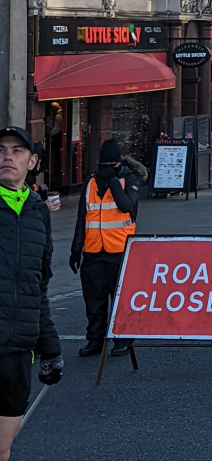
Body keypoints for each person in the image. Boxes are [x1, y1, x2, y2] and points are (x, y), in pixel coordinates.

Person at [0, 126, 62, 461]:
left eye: (17, 151)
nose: (8, 156)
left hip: (17, 353)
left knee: (1, 455)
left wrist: (50, 347)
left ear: (32, 162)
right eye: (2, 150)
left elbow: (39, 286)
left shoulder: (38, 213)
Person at [70, 138, 142, 359]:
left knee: (119, 299)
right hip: (92, 253)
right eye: (101, 166)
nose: (103, 170)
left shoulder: (129, 179)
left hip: (120, 251)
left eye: (109, 166)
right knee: (93, 301)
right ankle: (95, 340)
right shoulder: (91, 183)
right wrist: (75, 249)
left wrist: (112, 182)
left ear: (117, 164)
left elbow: (127, 206)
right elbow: (82, 218)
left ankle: (122, 340)